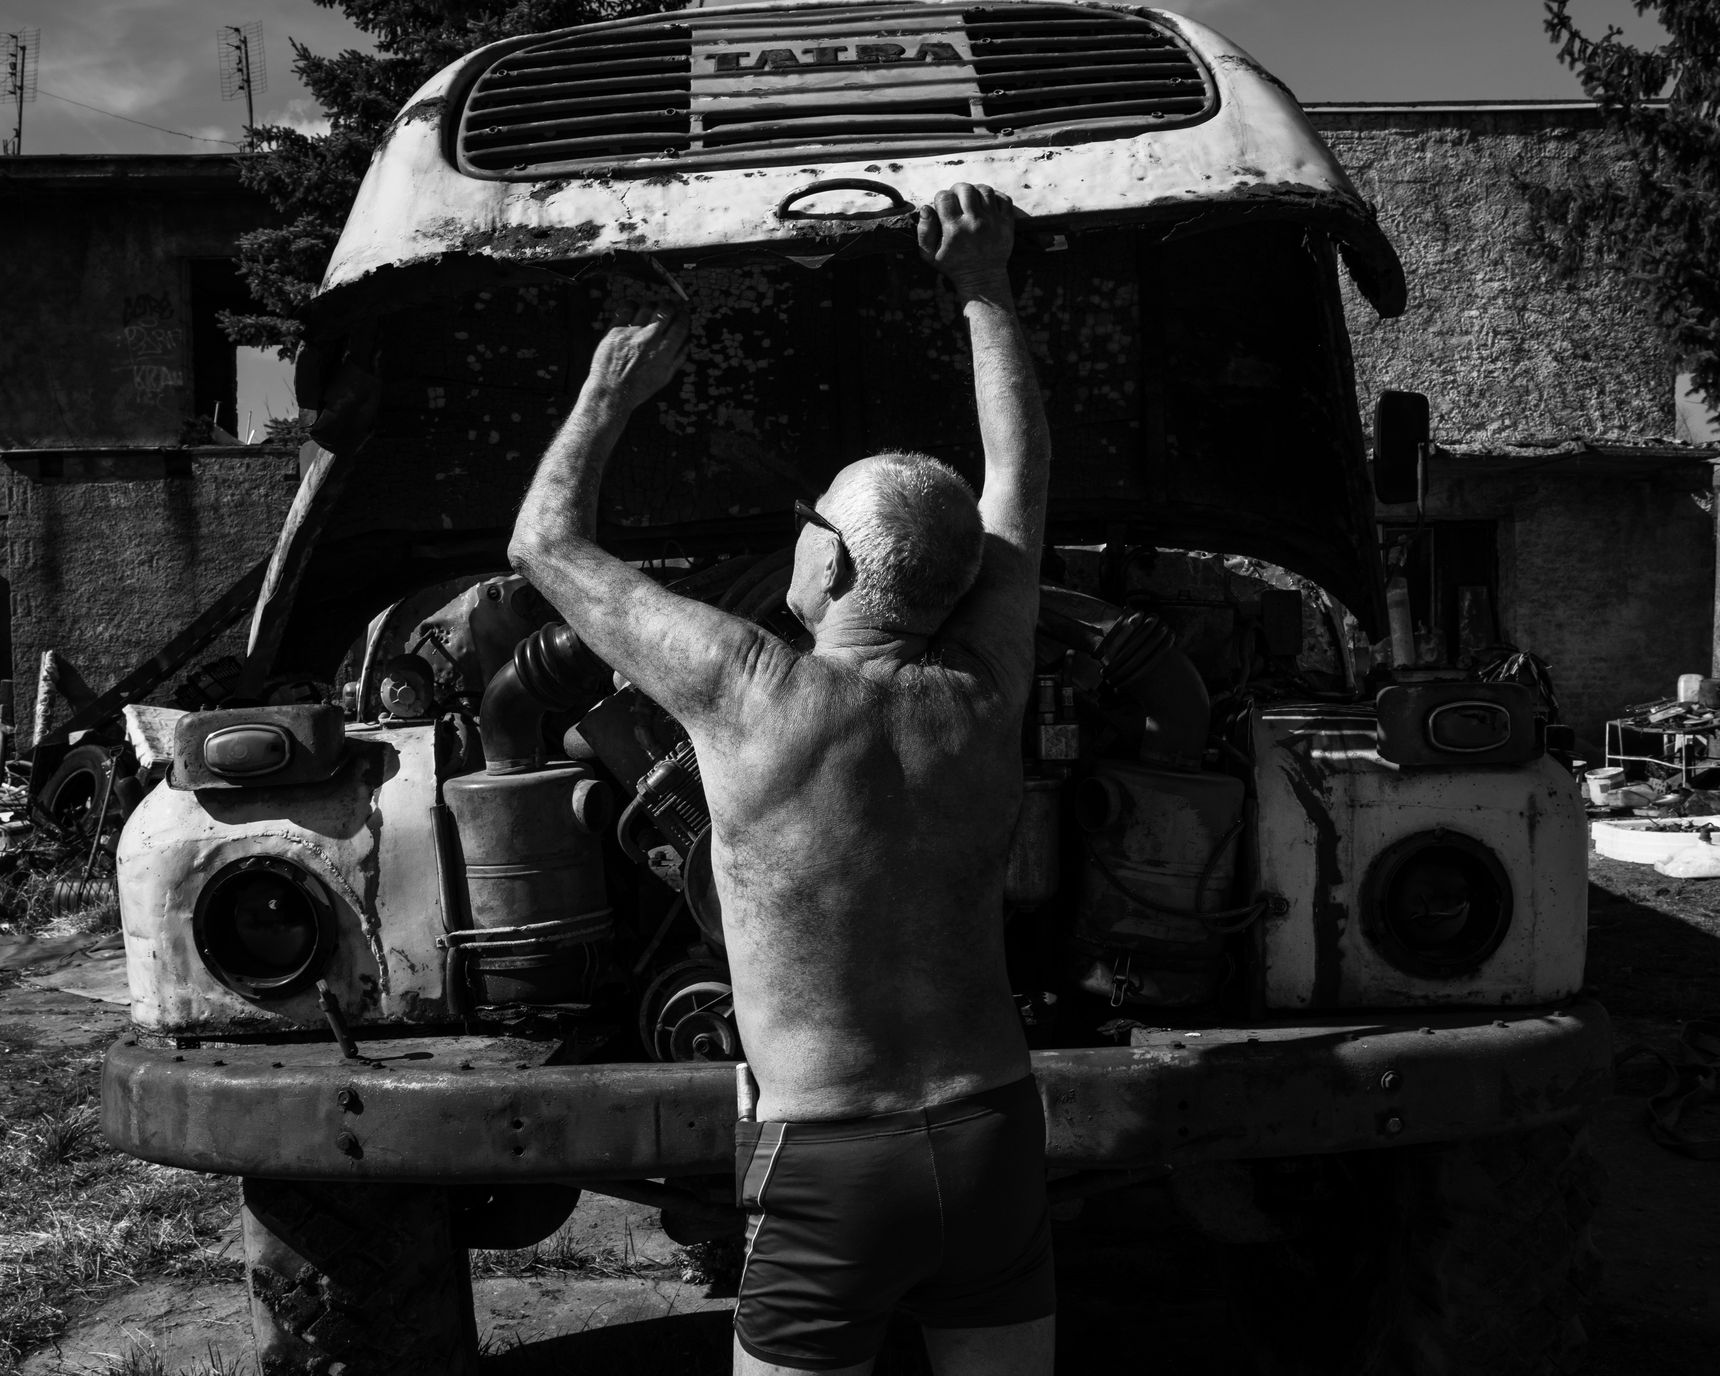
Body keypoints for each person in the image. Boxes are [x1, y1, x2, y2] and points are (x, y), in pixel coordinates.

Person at [508, 182, 1055, 1376]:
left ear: (838, 563)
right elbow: (1018, 477)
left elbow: (543, 544)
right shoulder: (989, 683)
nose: (796, 530)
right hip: (995, 1133)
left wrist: (608, 391)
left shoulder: (743, 686)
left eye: (810, 518)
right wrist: (984, 287)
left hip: (832, 1161)